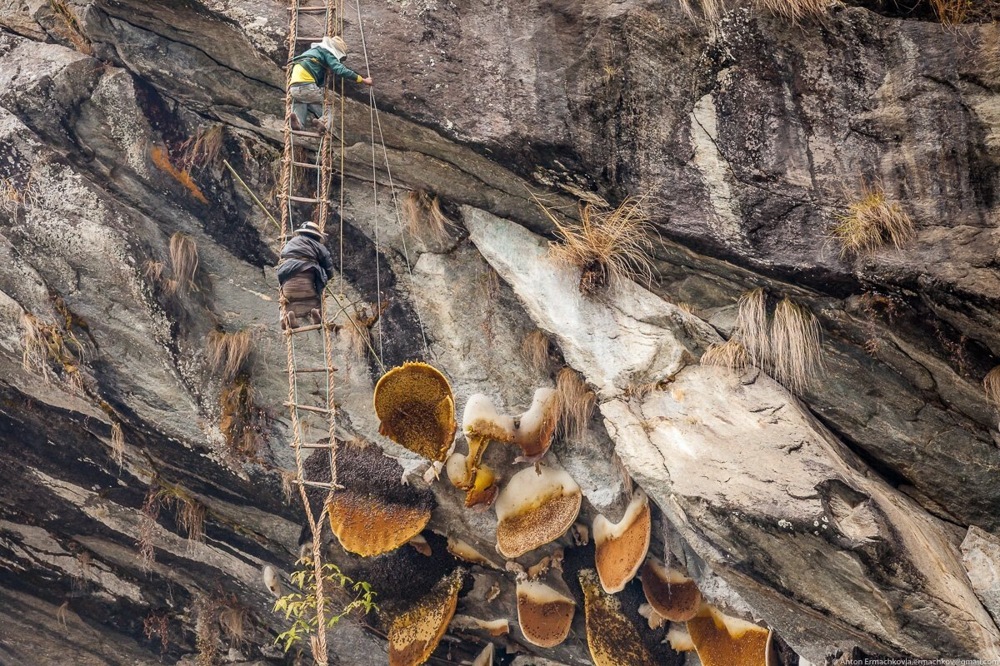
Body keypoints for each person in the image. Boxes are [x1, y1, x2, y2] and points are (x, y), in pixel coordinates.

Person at [288, 36, 374, 131]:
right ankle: (323, 122)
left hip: (294, 87)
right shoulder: (327, 52)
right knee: (326, 107)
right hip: (307, 86)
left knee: (300, 101)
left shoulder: (311, 52)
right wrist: (363, 80)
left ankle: (298, 123)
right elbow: (340, 70)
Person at [277, 222, 334, 330]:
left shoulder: (290, 243)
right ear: (316, 235)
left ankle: (287, 318)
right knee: (317, 297)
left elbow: (282, 256)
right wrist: (328, 277)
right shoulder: (319, 246)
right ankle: (316, 312)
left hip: (287, 281)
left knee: (285, 300)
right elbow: (328, 266)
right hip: (306, 282)